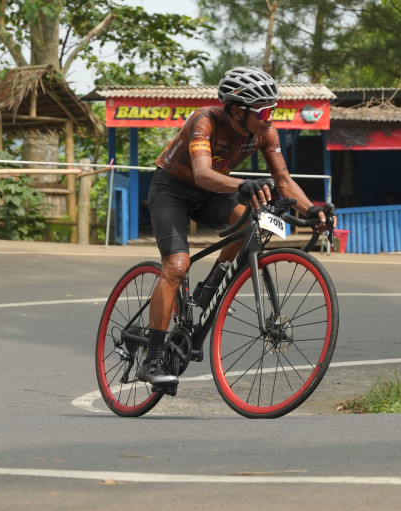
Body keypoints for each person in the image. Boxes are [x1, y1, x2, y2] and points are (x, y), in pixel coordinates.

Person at [138, 66, 333, 388]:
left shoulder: (264, 132)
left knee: (262, 222)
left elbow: (284, 181)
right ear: (237, 111)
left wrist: (312, 210)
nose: (270, 118)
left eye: (273, 110)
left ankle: (212, 284)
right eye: (264, 112)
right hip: (172, 190)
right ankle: (153, 359)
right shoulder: (204, 120)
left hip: (214, 193)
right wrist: (241, 184)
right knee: (176, 266)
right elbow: (202, 174)